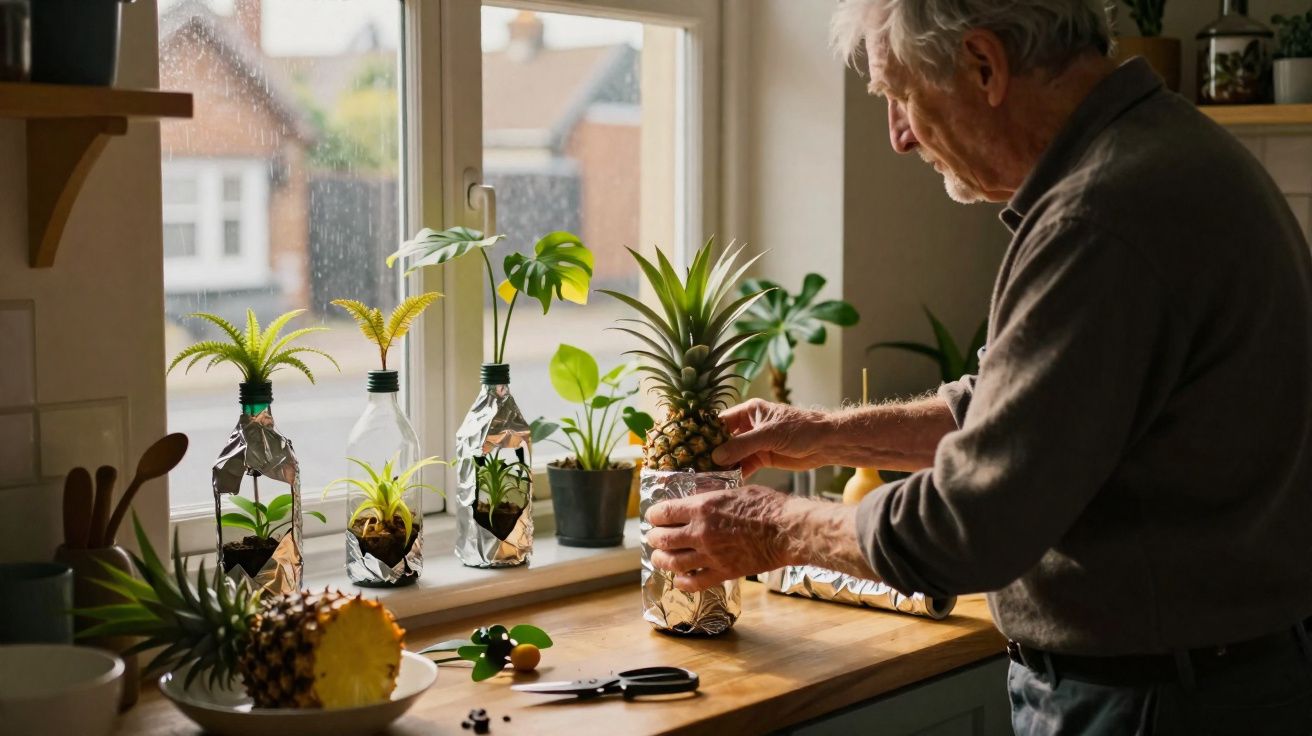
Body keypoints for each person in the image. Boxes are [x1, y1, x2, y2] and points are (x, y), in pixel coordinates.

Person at [642, 1, 1312, 733]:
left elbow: (968, 526)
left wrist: (770, 526)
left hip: (1157, 706)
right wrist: (818, 433)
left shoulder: (1100, 217)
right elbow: (1022, 412)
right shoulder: (1163, 154)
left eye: (899, 94)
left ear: (984, 65)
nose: (898, 135)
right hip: (1205, 683)